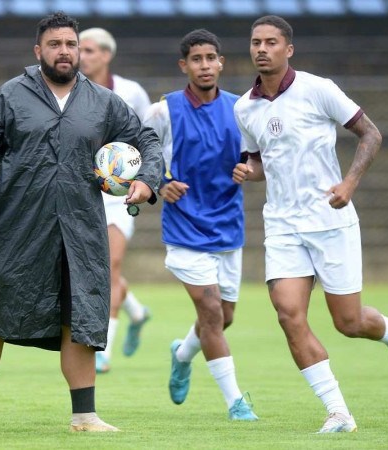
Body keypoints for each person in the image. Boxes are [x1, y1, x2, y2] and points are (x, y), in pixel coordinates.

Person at [0, 12, 162, 433]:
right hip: (16, 225)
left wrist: (146, 180)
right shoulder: (11, 96)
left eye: (71, 44)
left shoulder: (103, 102)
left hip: (80, 227)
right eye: (55, 44)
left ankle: (85, 417)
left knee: (80, 318)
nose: (65, 51)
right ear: (39, 51)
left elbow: (145, 138)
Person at [232, 15, 388, 433]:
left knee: (349, 322)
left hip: (330, 220)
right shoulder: (243, 107)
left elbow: (370, 134)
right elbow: (260, 159)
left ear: (289, 50)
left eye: (271, 42)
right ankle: (339, 412)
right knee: (288, 314)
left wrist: (349, 182)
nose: (261, 48)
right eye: (255, 42)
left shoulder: (318, 89)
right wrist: (250, 171)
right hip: (281, 224)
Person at [143, 29, 258, 421]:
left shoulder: (242, 108)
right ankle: (236, 403)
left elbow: (258, 158)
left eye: (211, 57)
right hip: (185, 230)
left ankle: (181, 354)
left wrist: (250, 168)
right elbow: (141, 153)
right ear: (184, 65)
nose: (205, 65)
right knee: (211, 314)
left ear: (221, 62)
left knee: (223, 318)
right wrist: (160, 182)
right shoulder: (163, 111)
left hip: (228, 227)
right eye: (197, 59)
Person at [79, 27, 152, 374]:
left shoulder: (130, 92)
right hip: (81, 192)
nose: (81, 55)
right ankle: (136, 310)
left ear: (106, 55)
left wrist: (148, 177)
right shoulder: (70, 91)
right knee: (88, 267)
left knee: (110, 264)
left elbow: (150, 136)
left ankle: (102, 348)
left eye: (89, 50)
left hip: (118, 196)